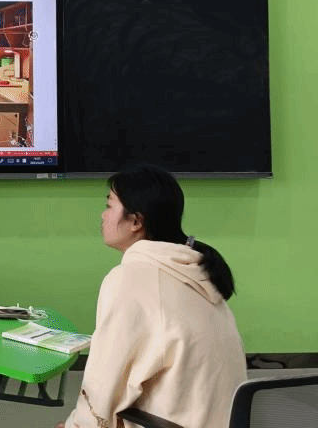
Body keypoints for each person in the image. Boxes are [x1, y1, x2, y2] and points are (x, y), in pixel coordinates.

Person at [59, 163, 246, 428]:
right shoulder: (197, 271)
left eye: (109, 206)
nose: (103, 215)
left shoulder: (131, 279)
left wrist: (74, 425)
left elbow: (105, 382)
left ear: (136, 221)